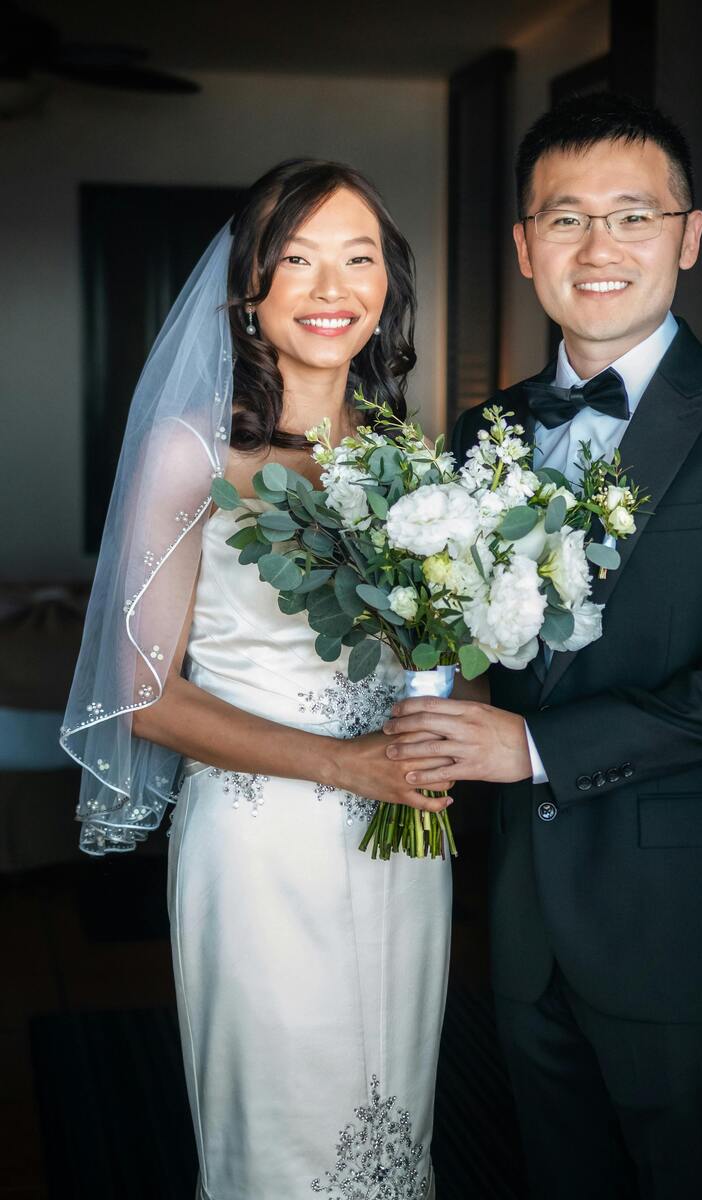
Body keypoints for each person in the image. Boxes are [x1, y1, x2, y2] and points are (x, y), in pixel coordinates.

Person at [382, 93, 702, 1199]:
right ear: (525, 245)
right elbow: (462, 633)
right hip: (524, 920)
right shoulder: (482, 432)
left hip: (680, 922)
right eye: (567, 218)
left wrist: (529, 749)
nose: (599, 248)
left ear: (688, 236)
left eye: (633, 217)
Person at [60, 159, 453, 1200]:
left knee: (393, 1130)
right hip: (262, 845)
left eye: (358, 259)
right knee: (282, 1139)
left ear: (388, 284)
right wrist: (345, 764)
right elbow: (143, 693)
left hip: (403, 845)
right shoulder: (191, 451)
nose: (333, 290)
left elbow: (431, 650)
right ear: (249, 289)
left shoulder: (413, 457)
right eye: (298, 261)